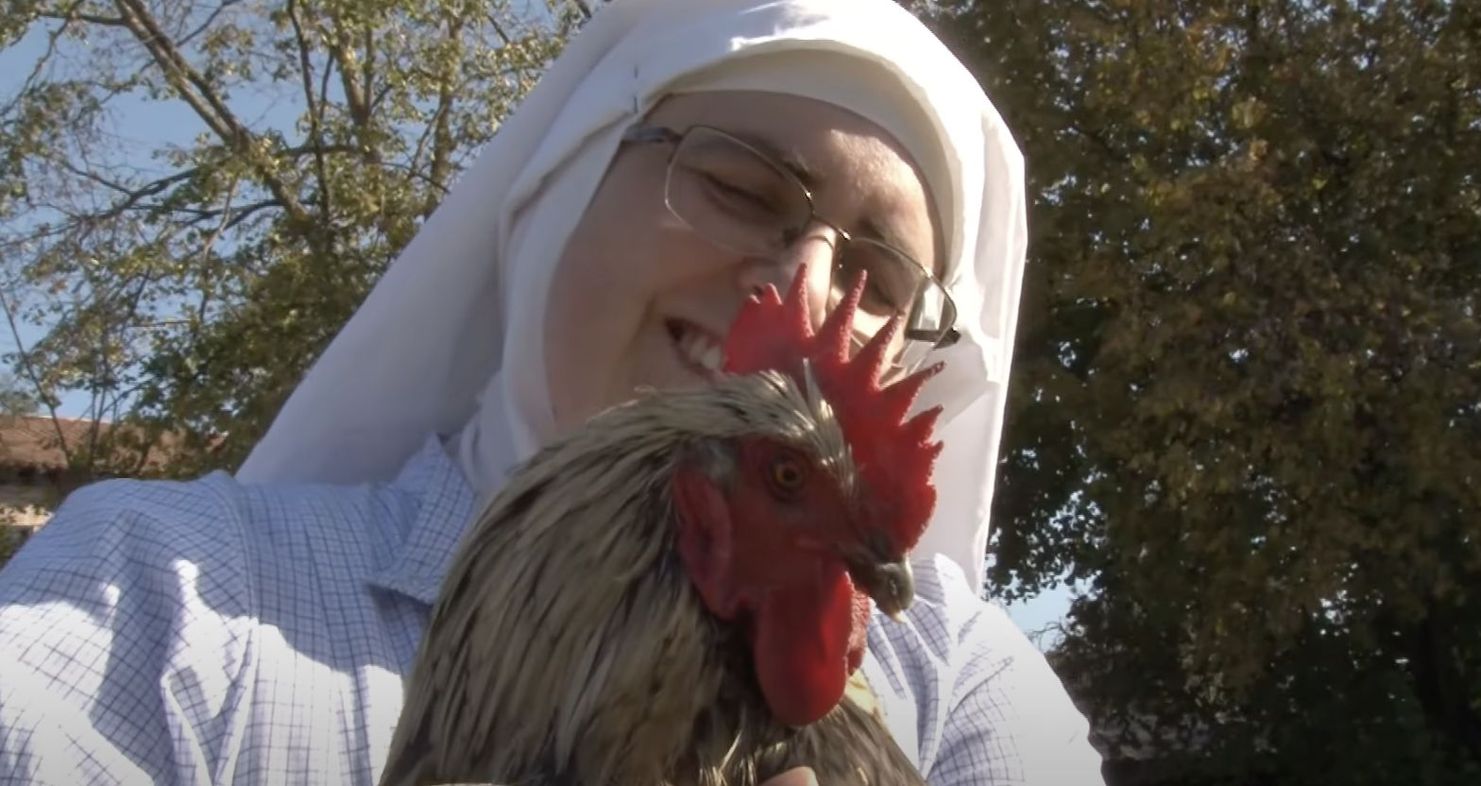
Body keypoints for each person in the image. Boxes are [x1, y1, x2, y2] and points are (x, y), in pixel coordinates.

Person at [0, 0, 1102, 783]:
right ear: (567, 183)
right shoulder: (172, 598)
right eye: (736, 184)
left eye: (881, 278)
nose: (804, 279)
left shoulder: (956, 682)